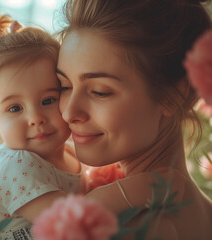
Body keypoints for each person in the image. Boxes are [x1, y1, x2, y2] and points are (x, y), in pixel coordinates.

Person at [56, 0, 212, 239]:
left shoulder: (129, 225)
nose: (69, 113)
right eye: (64, 86)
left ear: (172, 96)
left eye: (100, 91)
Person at [0, 15, 86, 239]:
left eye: (48, 100)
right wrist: (125, 193)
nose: (35, 118)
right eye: (15, 108)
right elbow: (69, 219)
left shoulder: (72, 152)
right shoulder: (16, 165)